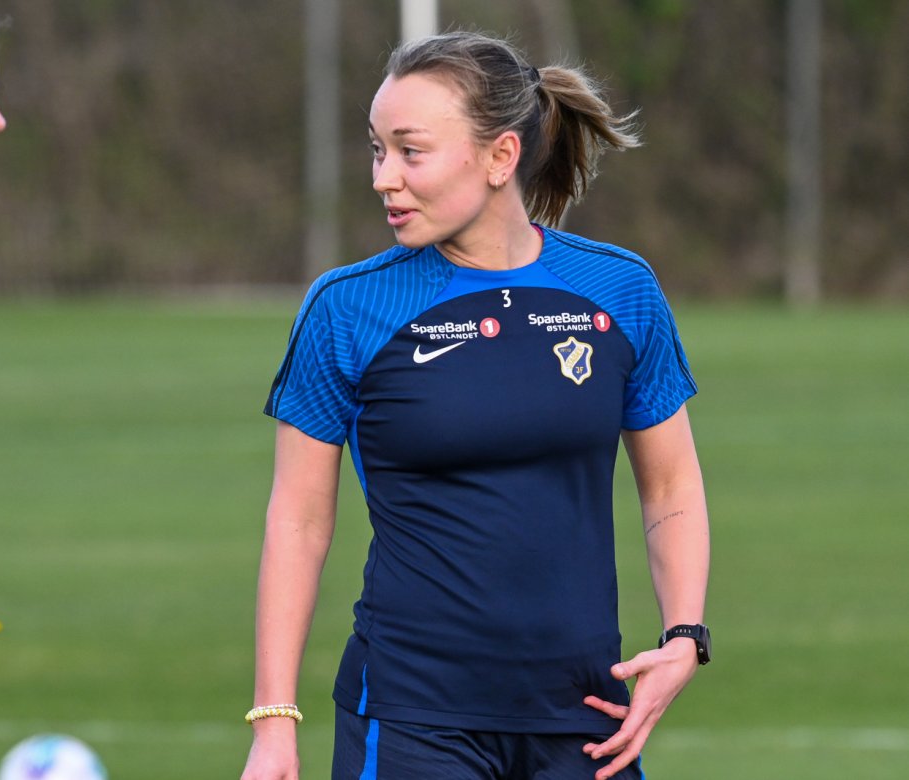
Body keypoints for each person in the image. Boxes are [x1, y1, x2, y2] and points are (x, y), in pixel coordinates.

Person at [241, 30, 710, 780]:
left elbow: (671, 484)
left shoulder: (620, 290)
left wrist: (684, 636)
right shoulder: (346, 308)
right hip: (410, 722)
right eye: (377, 150)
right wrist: (273, 720)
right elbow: (298, 520)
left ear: (500, 157)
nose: (383, 178)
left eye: (410, 152)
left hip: (587, 719)